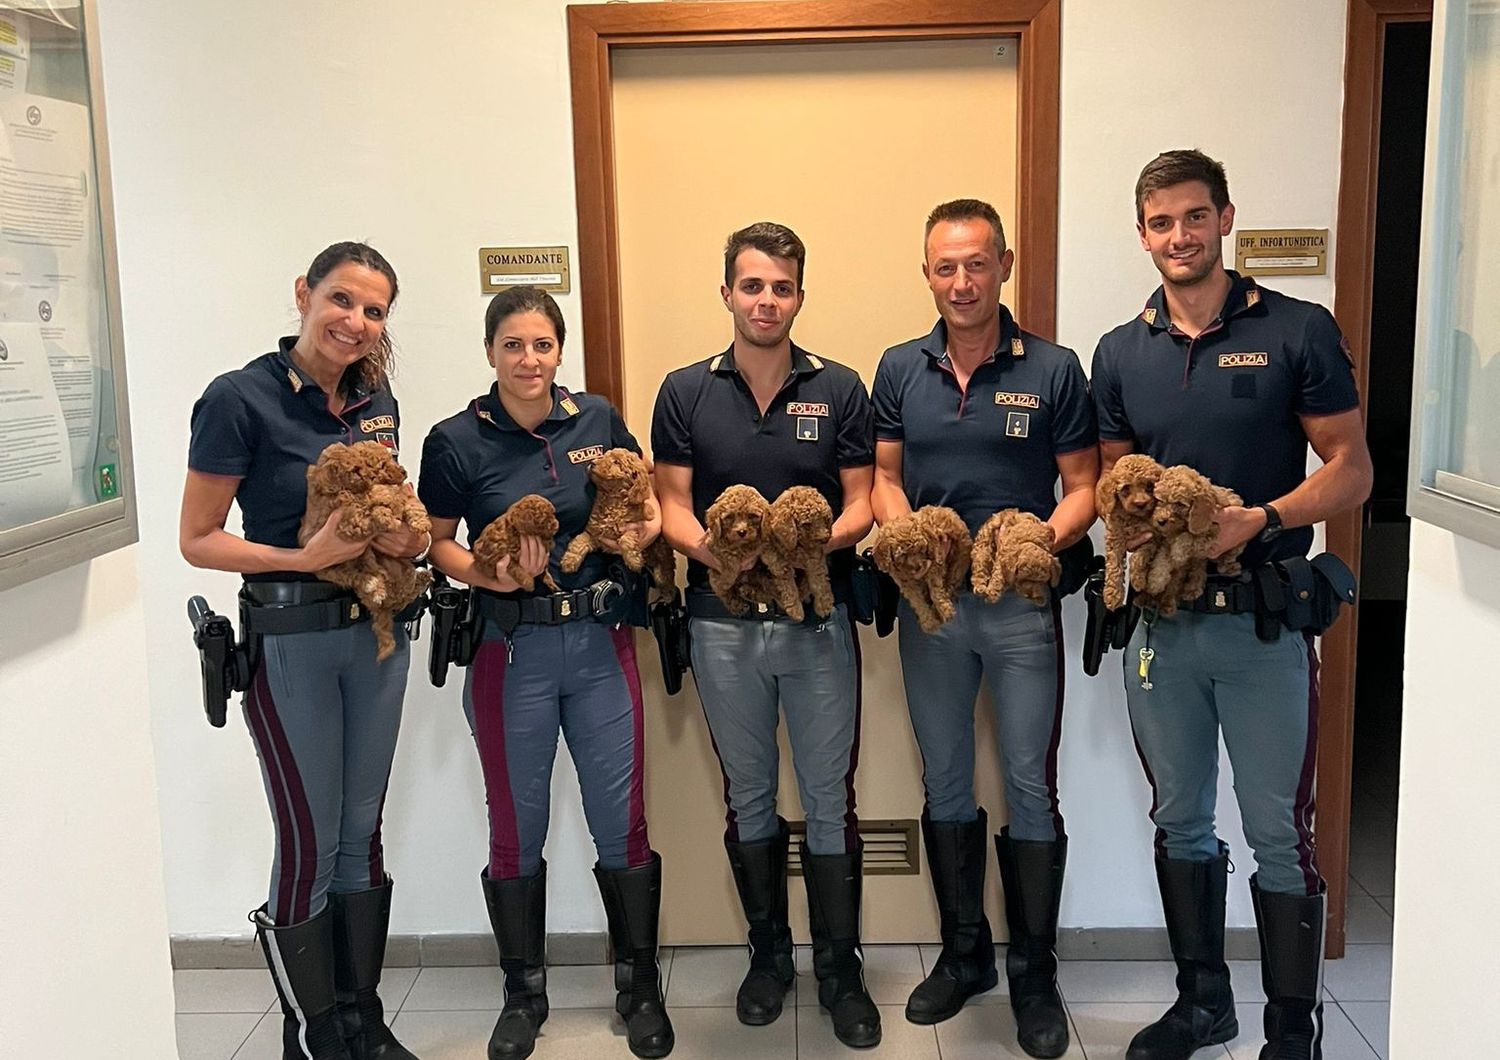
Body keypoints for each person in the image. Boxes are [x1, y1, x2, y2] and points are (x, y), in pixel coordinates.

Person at [1090, 150, 1373, 1060]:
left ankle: (1294, 1030)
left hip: (1261, 626)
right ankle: (1202, 1003)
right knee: (1179, 818)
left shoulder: (1296, 329)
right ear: (1143, 235)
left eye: (1195, 217)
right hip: (1162, 632)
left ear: (1225, 220)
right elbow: (1114, 482)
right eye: (1162, 222)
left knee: (1276, 833)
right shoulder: (1119, 350)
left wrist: (1263, 517)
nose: (1180, 236)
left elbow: (1353, 470)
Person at [181, 242, 426, 1060]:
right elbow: (198, 539)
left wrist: (405, 535)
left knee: (363, 831)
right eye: (342, 300)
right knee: (310, 840)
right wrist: (298, 559)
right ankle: (311, 1032)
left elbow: (394, 503)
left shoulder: (375, 398)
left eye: (374, 310)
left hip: (376, 637)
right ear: (303, 294)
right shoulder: (238, 397)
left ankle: (362, 1018)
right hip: (291, 641)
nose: (355, 322)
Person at [417, 286, 673, 1060]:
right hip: (511, 652)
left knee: (619, 817)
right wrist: (485, 577)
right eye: (513, 346)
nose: (529, 360)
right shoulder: (455, 438)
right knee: (515, 823)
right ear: (491, 352)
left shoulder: (595, 420)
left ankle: (639, 986)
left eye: (543, 345)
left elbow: (641, 499)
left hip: (600, 644)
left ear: (560, 352)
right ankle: (522, 993)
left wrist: (651, 522)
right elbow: (436, 542)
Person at [870, 198, 1099, 1059]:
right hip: (933, 608)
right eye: (944, 267)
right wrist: (899, 532)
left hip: (1019, 608)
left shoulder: (1053, 367)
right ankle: (965, 955)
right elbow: (885, 475)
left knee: (1030, 787)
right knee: (946, 782)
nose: (961, 282)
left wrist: (1046, 537)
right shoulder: (899, 367)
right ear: (926, 273)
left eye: (976, 264)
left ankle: (1034, 972)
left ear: (1004, 264)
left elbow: (1084, 483)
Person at [650, 222, 880, 1049]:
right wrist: (710, 548)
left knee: (828, 800)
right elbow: (668, 503)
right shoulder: (684, 390)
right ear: (727, 295)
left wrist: (816, 544)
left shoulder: (840, 386)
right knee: (748, 795)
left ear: (799, 297)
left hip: (816, 621)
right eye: (752, 286)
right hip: (721, 627)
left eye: (781, 287)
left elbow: (865, 500)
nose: (766, 301)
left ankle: (841, 969)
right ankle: (770, 957)